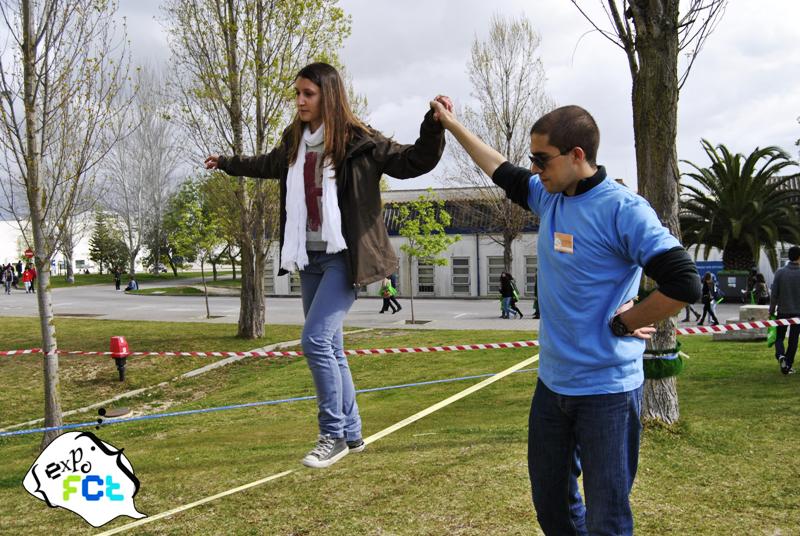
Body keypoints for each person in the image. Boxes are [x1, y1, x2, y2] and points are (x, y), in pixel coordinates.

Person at [429, 100, 701, 535]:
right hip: (552, 387)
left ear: (577, 155)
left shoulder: (623, 210)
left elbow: (685, 283)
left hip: (607, 392)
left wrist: (626, 323)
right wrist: (453, 124)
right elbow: (498, 168)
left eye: (541, 159)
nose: (534, 169)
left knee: (607, 516)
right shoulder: (547, 194)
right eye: (532, 159)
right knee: (552, 507)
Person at [205, 62, 447, 469]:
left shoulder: (360, 141)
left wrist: (433, 124)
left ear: (328, 96)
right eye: (297, 93)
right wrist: (227, 162)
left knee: (315, 341)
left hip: (345, 258)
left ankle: (331, 434)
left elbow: (412, 161)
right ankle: (352, 434)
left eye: (308, 94)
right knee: (331, 347)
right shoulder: (294, 139)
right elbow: (266, 165)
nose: (299, 101)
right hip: (309, 257)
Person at [769, 246, 800, 375]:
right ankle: (787, 364)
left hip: (782, 311)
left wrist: (771, 310)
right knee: (793, 339)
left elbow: (774, 294)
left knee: (779, 337)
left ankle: (781, 355)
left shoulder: (780, 272)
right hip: (798, 313)